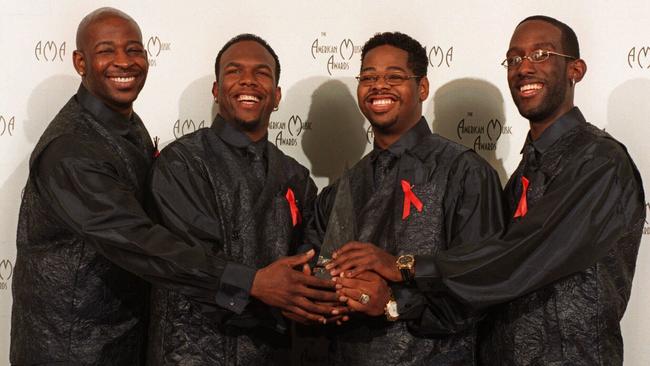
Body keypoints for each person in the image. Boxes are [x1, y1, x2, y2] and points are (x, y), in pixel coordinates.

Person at [10, 9, 334, 365]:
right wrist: (252, 282)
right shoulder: (71, 149)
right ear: (80, 61)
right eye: (106, 50)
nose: (124, 61)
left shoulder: (129, 127)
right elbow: (138, 242)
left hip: (124, 337)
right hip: (71, 348)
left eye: (134, 50)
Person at [330, 16, 646, 366]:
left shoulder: (601, 162)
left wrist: (404, 269)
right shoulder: (525, 170)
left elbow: (521, 257)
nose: (524, 67)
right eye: (514, 59)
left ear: (576, 69)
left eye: (541, 54)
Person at [307, 32, 505, 365]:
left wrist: (393, 301)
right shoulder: (342, 188)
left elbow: (483, 282)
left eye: (394, 77)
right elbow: (316, 270)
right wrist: (329, 295)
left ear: (422, 88)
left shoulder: (465, 172)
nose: (378, 86)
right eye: (368, 77)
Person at [146, 34, 340, 365]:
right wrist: (267, 289)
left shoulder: (295, 176)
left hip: (270, 353)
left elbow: (308, 256)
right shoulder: (182, 162)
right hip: (190, 351)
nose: (248, 80)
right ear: (216, 90)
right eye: (234, 71)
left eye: (262, 73)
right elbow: (190, 261)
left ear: (276, 96)